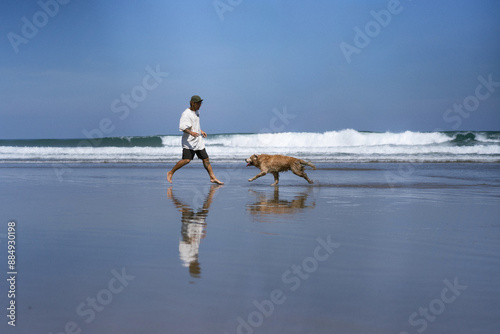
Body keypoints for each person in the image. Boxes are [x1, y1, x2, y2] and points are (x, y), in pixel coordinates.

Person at [167, 95, 224, 185]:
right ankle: (171, 172)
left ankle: (212, 177)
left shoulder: (197, 112)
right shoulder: (186, 113)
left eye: (200, 103)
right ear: (193, 103)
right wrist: (191, 133)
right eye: (198, 103)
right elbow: (182, 127)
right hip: (189, 141)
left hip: (198, 141)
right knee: (187, 160)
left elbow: (195, 124)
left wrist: (201, 131)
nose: (200, 105)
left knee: (206, 159)